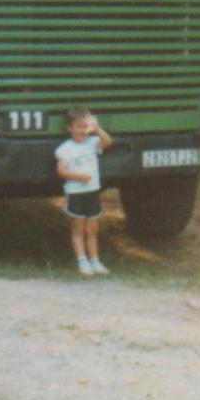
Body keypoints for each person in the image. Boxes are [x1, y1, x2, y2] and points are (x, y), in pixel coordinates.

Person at [54, 105, 113, 276]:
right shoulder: (65, 148)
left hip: (92, 192)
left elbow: (108, 142)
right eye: (78, 126)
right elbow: (61, 171)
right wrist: (79, 177)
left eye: (85, 127)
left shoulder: (92, 142)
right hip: (76, 194)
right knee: (78, 229)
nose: (82, 131)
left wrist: (97, 129)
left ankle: (95, 261)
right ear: (70, 128)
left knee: (92, 229)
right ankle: (82, 261)